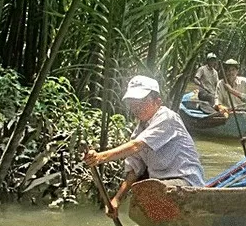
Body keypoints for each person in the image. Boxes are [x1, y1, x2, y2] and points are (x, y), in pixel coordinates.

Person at [83, 76, 205, 217]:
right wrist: (117, 199)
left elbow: (136, 146)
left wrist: (100, 157)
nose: (136, 108)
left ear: (157, 101)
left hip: (187, 182)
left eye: (142, 102)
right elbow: (134, 170)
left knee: (150, 190)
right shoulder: (139, 131)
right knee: (140, 189)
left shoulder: (167, 118)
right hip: (161, 185)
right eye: (133, 103)